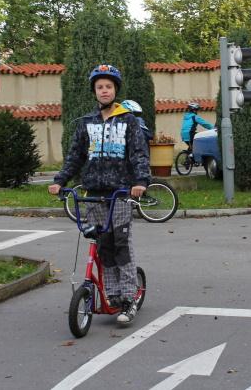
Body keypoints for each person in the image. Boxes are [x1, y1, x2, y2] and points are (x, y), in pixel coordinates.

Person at [48, 64, 150, 325]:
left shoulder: (128, 121)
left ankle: (128, 299)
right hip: (93, 193)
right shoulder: (87, 124)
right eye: (99, 87)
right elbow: (75, 157)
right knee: (103, 246)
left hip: (121, 192)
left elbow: (138, 154)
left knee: (121, 246)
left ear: (115, 90)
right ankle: (112, 295)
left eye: (108, 86)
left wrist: (140, 181)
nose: (104, 91)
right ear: (94, 91)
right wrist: (60, 181)